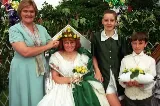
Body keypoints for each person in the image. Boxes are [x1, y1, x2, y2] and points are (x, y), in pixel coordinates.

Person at [37, 27, 110, 106]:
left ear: (76, 43)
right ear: (62, 43)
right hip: (63, 86)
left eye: (72, 42)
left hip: (82, 86)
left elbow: (90, 69)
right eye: (66, 42)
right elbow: (55, 78)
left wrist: (85, 77)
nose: (69, 45)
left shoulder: (82, 56)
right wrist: (71, 80)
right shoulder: (56, 57)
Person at [8, 0, 59, 106]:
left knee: (40, 98)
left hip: (40, 69)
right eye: (25, 11)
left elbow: (51, 42)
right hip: (23, 69)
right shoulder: (14, 29)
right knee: (23, 98)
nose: (29, 14)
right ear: (20, 12)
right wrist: (48, 46)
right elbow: (25, 52)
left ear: (35, 13)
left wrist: (60, 41)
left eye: (31, 11)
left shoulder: (41, 29)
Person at [91, 9, 129, 106]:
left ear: (116, 22)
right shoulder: (96, 37)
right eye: (106, 20)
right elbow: (93, 55)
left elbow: (125, 58)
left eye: (112, 20)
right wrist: (97, 71)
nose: (109, 23)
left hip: (118, 77)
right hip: (104, 77)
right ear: (102, 21)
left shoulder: (121, 38)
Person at [119, 32, 156, 106]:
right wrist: (126, 83)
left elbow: (153, 80)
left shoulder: (150, 60)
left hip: (145, 98)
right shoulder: (125, 60)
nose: (137, 46)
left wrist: (142, 85)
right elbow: (120, 78)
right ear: (131, 43)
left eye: (140, 43)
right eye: (134, 43)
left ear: (145, 44)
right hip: (129, 97)